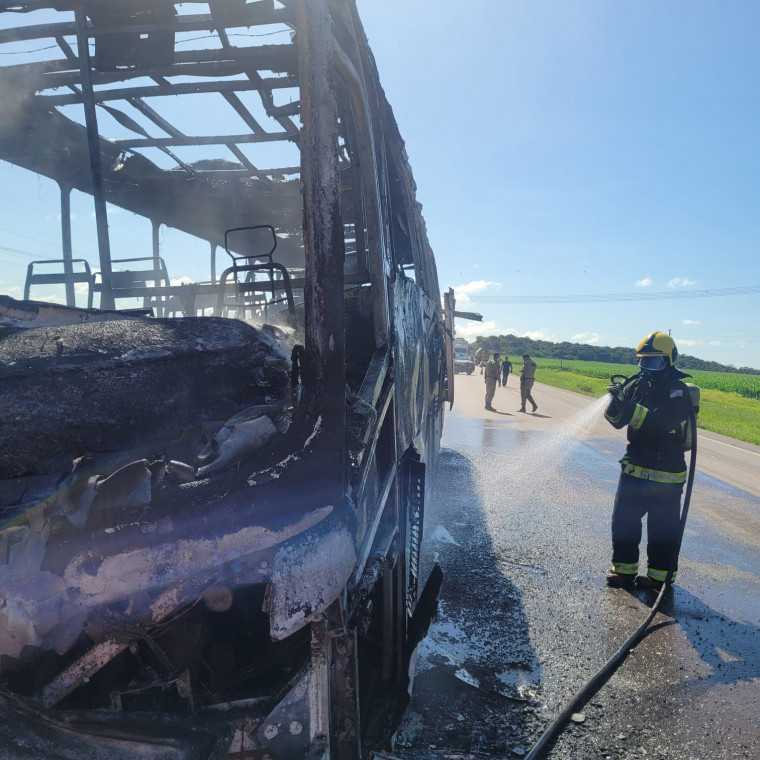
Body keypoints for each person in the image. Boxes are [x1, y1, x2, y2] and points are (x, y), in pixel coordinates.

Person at [604, 331, 697, 591]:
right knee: (624, 521)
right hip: (634, 466)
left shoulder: (678, 391)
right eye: (643, 361)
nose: (647, 368)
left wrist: (629, 408)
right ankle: (623, 571)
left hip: (665, 472)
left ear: (669, 360)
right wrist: (615, 403)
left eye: (653, 362)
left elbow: (661, 423)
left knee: (662, 528)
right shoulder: (636, 385)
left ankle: (659, 578)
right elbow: (615, 422)